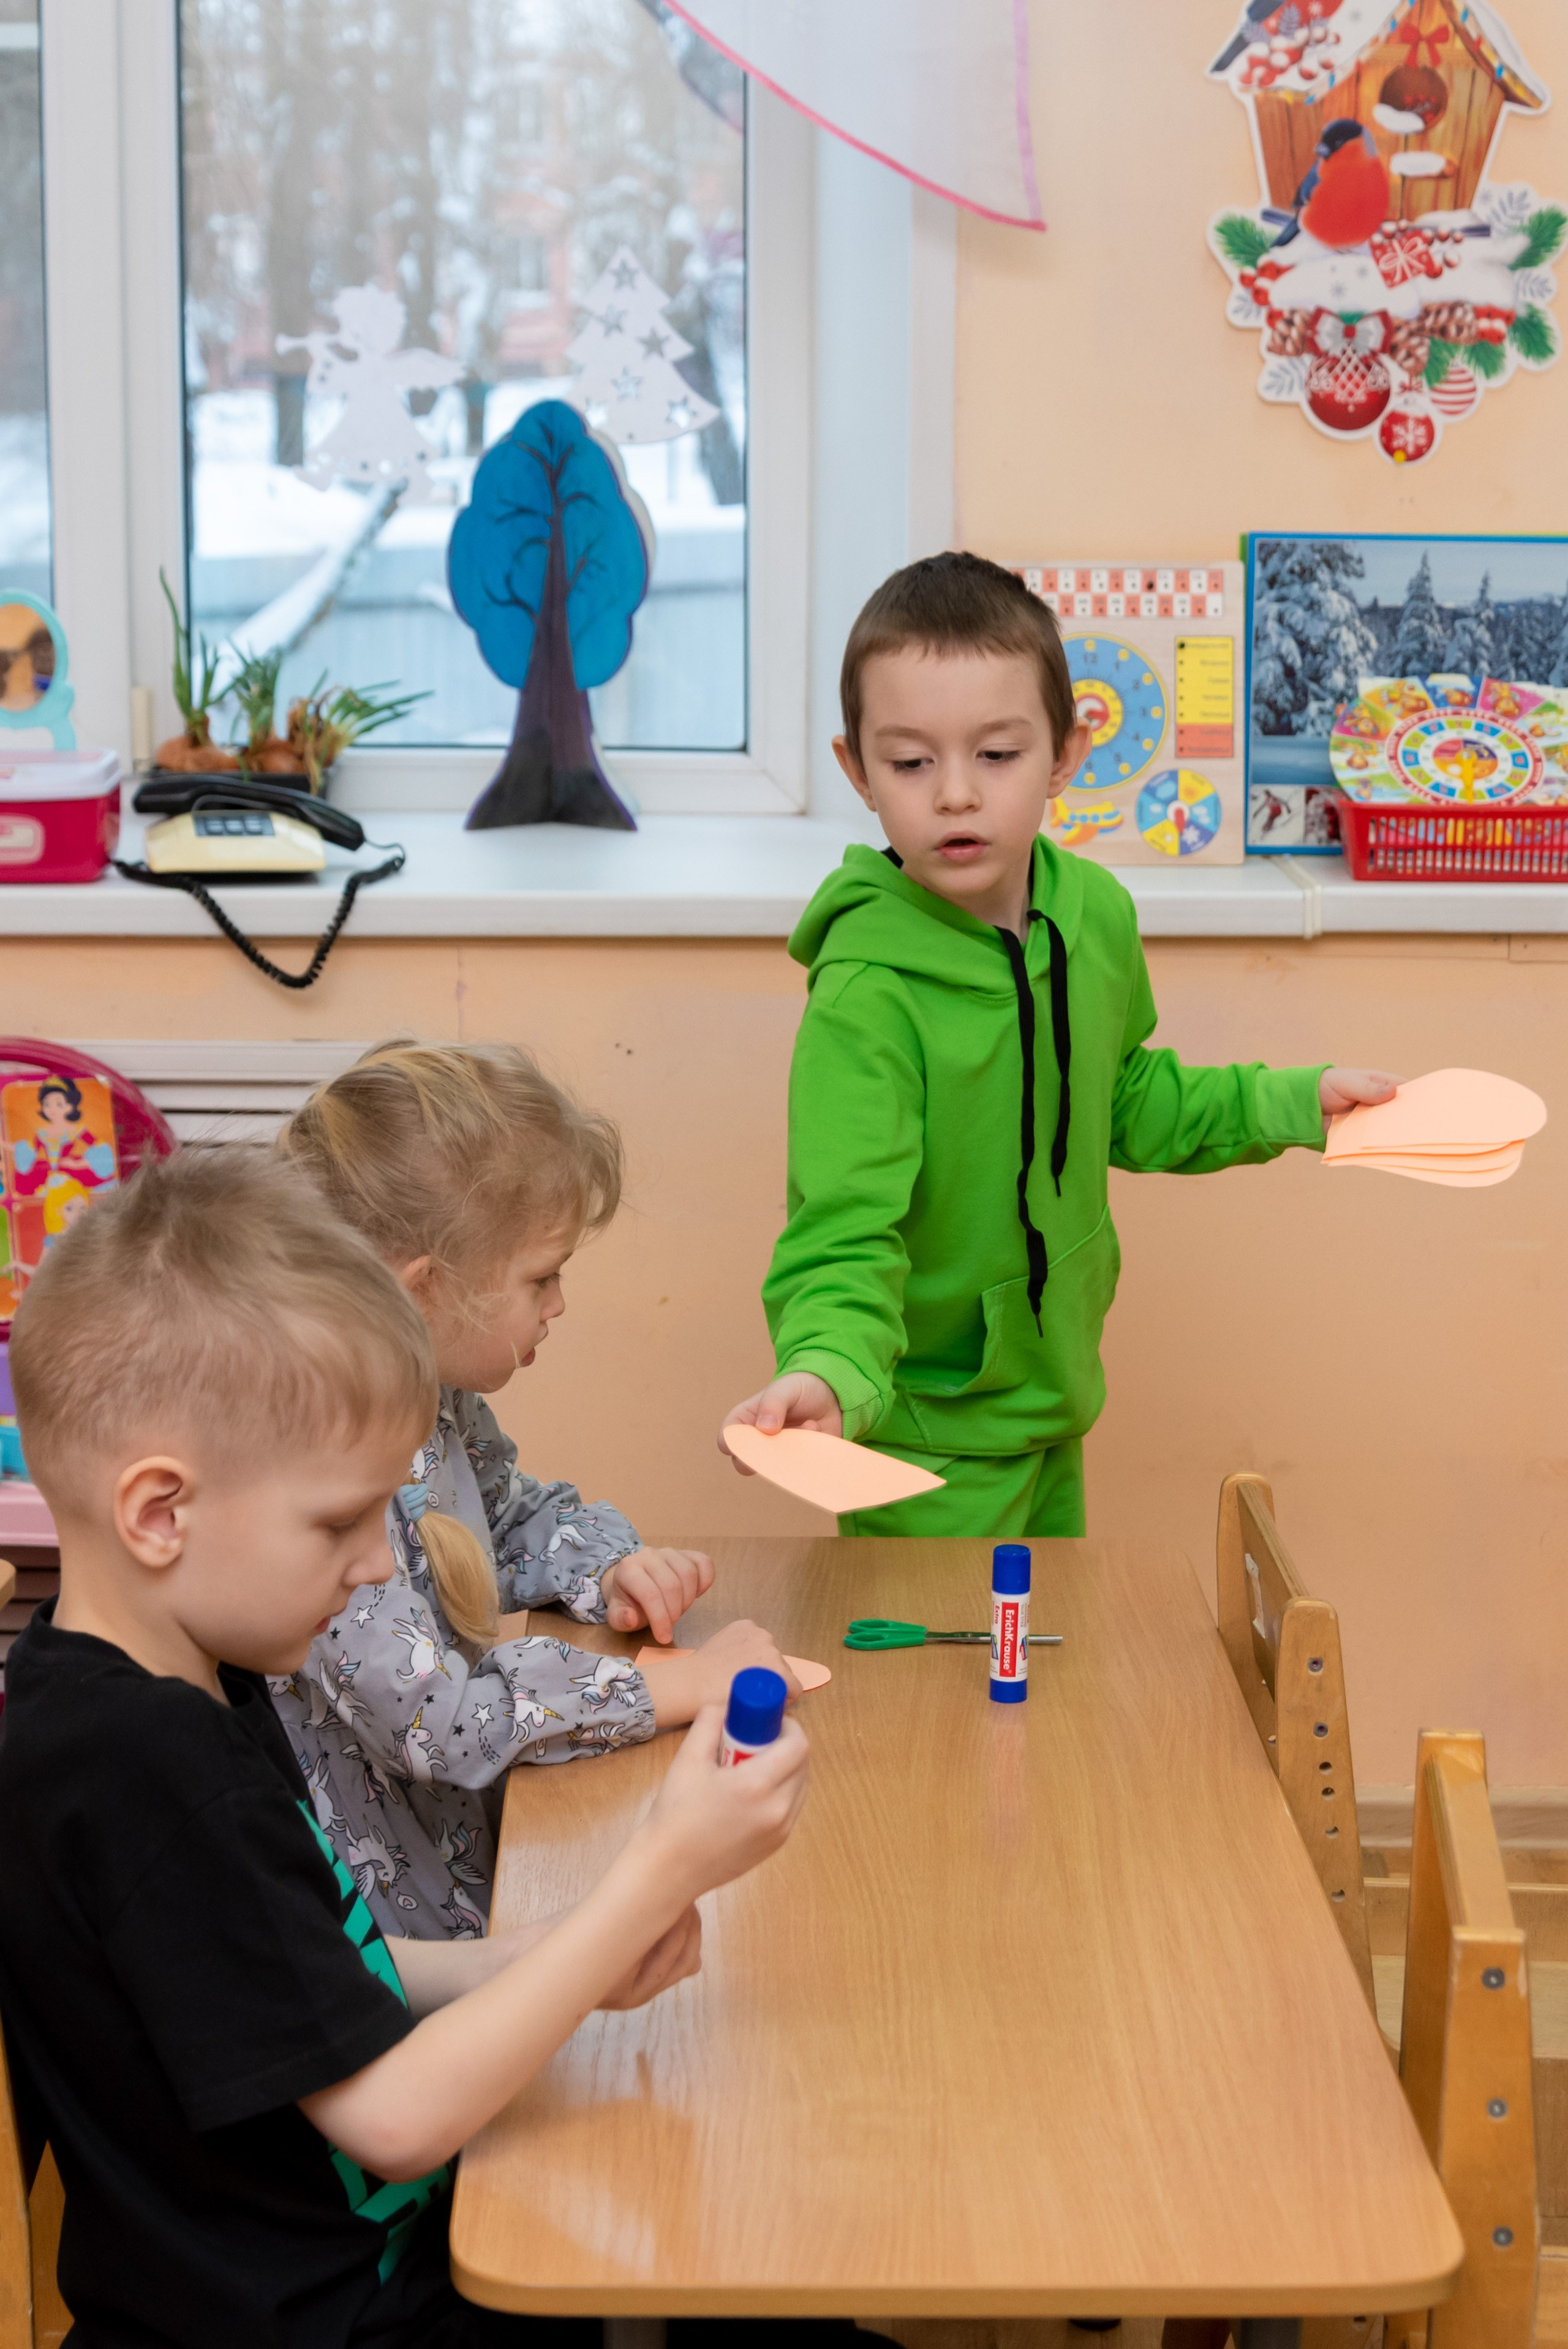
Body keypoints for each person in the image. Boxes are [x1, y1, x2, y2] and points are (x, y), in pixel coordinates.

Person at [0, 1148, 809, 2349]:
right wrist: (660, 1869)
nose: (379, 1563)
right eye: (337, 1519)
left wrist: (555, 1957)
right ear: (159, 1512)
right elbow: (394, 2119)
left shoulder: (158, 1687)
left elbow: (320, 1971)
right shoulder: (146, 1774)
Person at [722, 551, 1397, 1539]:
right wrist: (828, 1368)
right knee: (942, 1694)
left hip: (1052, 1406)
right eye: (911, 763)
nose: (954, 794)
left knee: (1043, 1681)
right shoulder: (865, 998)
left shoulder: (1097, 916)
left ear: (1066, 754)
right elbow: (841, 1232)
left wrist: (1293, 1103)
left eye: (996, 755)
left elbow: (1125, 1101)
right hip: (917, 1437)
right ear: (858, 771)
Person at [273, 1041, 796, 1938]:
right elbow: (441, 1722)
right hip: (393, 1949)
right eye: (541, 1276)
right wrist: (673, 1691)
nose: (559, 1304)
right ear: (423, 1291)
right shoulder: (317, 1483)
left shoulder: (433, 1402)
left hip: (470, 1868)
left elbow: (507, 1520)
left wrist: (612, 1571)